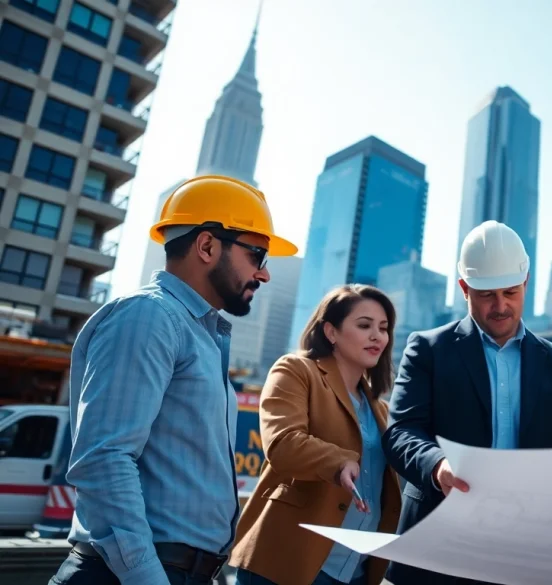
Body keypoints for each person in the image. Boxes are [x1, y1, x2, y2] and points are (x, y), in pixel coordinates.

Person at [49, 175, 298, 585]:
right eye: (257, 255)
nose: (265, 274)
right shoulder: (149, 317)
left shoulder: (199, 333)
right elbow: (104, 459)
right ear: (206, 246)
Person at [382, 220, 552, 585]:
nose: (500, 306)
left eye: (510, 292)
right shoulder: (428, 349)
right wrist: (438, 467)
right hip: (434, 545)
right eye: (486, 295)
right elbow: (401, 432)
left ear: (526, 282)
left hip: (525, 548)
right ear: (464, 288)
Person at [230, 285, 403, 585]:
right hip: (287, 563)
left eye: (384, 328)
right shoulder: (296, 371)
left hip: (356, 572)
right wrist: (338, 462)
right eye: (364, 325)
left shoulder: (382, 410)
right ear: (331, 332)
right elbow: (283, 443)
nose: (378, 336)